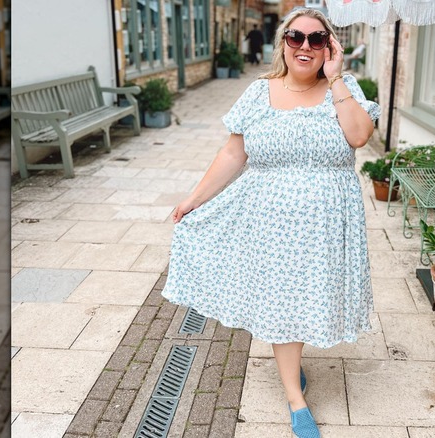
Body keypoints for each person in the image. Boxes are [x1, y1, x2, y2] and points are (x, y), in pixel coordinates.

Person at [162, 8, 380, 438]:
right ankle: (295, 399)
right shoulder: (259, 92)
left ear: (330, 46)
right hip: (270, 223)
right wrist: (193, 199)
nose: (305, 46)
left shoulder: (344, 88)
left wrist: (336, 78)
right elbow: (233, 154)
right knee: (283, 304)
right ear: (283, 42)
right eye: (296, 37)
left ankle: (291, 368)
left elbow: (359, 136)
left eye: (317, 39)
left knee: (310, 299)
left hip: (327, 224)